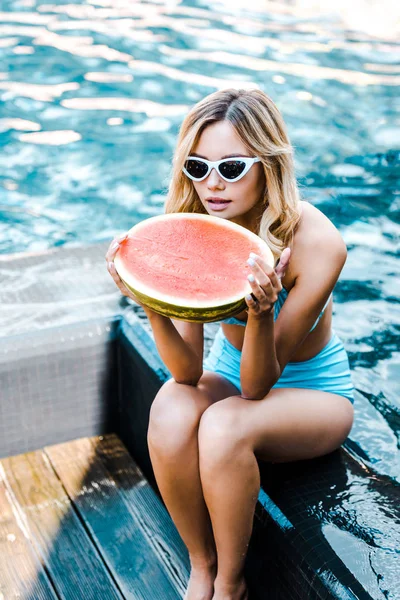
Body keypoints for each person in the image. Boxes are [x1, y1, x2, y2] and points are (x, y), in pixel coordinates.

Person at [105, 88, 355, 600]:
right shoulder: (195, 224)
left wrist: (261, 314)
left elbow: (258, 387)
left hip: (314, 393)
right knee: (172, 406)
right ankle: (201, 564)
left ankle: (230, 583)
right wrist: (148, 296)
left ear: (268, 164)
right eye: (197, 167)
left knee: (223, 424)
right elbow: (187, 372)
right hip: (231, 373)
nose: (212, 185)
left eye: (232, 168)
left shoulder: (318, 243)